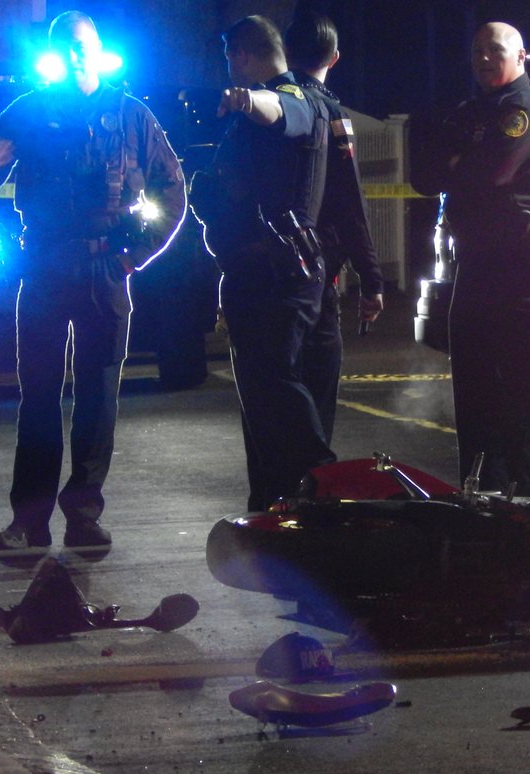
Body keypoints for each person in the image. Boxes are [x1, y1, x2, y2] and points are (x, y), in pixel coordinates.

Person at [0, 10, 185, 552]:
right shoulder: (31, 111)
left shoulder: (132, 116)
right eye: (64, 49)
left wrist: (137, 256)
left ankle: (84, 514)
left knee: (98, 398)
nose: (74, 57)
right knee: (37, 396)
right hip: (43, 267)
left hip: (107, 270)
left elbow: (173, 190)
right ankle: (30, 521)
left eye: (83, 47)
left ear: (100, 50)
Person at [412, 22, 530, 496]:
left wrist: (461, 161)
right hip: (477, 274)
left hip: (524, 282)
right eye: (477, 50)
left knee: (524, 400)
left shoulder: (528, 111)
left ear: (521, 57)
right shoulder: (472, 113)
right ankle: (481, 501)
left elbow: (491, 173)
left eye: (495, 50)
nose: (484, 58)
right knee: (476, 400)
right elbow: (423, 174)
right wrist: (463, 161)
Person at [189, 15, 331, 511]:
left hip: (275, 275)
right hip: (252, 275)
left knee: (274, 386)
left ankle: (322, 482)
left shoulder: (295, 99)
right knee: (259, 397)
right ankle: (271, 503)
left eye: (231, 59)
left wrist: (248, 98)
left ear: (241, 57)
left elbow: (284, 111)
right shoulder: (254, 118)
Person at [283, 10, 384, 443]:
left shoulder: (269, 105)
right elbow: (350, 203)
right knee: (319, 384)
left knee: (275, 388)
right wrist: (372, 277)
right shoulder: (331, 113)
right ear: (336, 57)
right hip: (318, 270)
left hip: (266, 272)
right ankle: (311, 487)